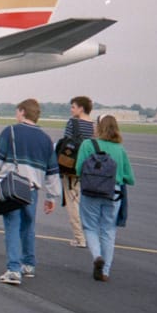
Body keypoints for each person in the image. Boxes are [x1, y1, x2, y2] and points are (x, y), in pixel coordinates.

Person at [0, 99, 60, 286]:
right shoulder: (46, 139)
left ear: (22, 112)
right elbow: (52, 172)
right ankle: (28, 263)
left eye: (17, 111)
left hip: (11, 186)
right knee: (28, 226)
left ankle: (13, 269)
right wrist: (52, 196)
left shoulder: (10, 131)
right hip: (32, 189)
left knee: (12, 225)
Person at [76, 115, 135, 282]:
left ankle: (96, 257)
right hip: (113, 193)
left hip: (90, 192)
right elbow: (130, 178)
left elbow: (78, 167)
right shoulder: (120, 149)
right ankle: (106, 271)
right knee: (108, 230)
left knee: (90, 227)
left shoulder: (88, 145)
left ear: (98, 127)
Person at [61, 96, 95, 248]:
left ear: (81, 108)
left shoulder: (72, 123)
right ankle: (90, 234)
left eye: (73, 107)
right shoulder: (94, 126)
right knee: (84, 202)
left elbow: (65, 143)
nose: (71, 109)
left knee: (72, 202)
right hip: (88, 168)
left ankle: (79, 237)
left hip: (72, 167)